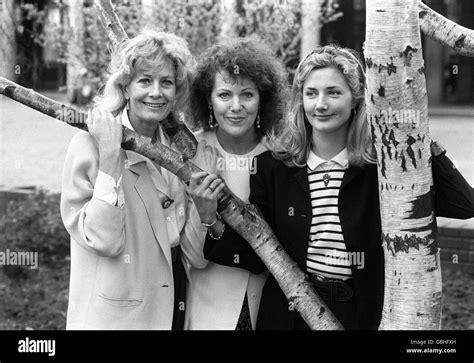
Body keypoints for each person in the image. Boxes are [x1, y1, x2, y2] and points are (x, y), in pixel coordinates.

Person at [201, 44, 474, 330]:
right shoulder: (274, 168)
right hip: (290, 316)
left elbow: (463, 204)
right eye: (311, 93)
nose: (321, 104)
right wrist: (210, 218)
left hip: (362, 314)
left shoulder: (382, 169)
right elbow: (257, 254)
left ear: (356, 99)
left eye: (334, 92)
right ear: (301, 100)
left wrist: (418, 135)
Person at [60, 30, 213, 330]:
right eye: (145, 80)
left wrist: (205, 215)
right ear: (125, 86)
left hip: (172, 302)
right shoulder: (88, 145)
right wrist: (108, 159)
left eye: (166, 82)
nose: (156, 93)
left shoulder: (181, 150)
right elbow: (102, 240)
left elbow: (194, 256)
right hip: (117, 316)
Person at [184, 37, 288, 330]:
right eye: (225, 95)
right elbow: (193, 258)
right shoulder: (190, 151)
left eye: (247, 94)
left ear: (262, 99)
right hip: (207, 315)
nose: (236, 107)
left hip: (266, 313)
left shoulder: (280, 157)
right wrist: (204, 212)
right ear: (208, 99)